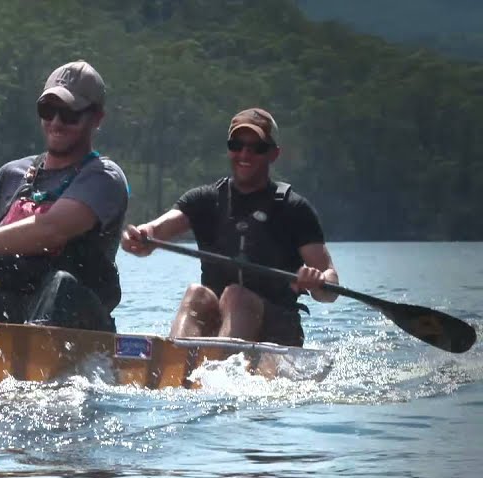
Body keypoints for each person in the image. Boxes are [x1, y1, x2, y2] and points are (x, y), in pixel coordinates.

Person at [0, 60, 129, 332]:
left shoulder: (104, 178)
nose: (56, 122)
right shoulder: (10, 175)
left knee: (61, 286)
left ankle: (33, 362)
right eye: (48, 110)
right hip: (11, 310)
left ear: (97, 118)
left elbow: (50, 230)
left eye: (69, 114)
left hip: (75, 318)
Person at [120, 108, 339, 346]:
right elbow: (156, 229)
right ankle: (175, 369)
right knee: (197, 294)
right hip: (219, 324)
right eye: (237, 145)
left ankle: (216, 370)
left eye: (257, 148)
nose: (245, 153)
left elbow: (331, 284)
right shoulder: (205, 199)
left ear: (273, 154)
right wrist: (142, 236)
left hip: (278, 332)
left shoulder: (295, 209)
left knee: (236, 296)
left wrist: (317, 281)